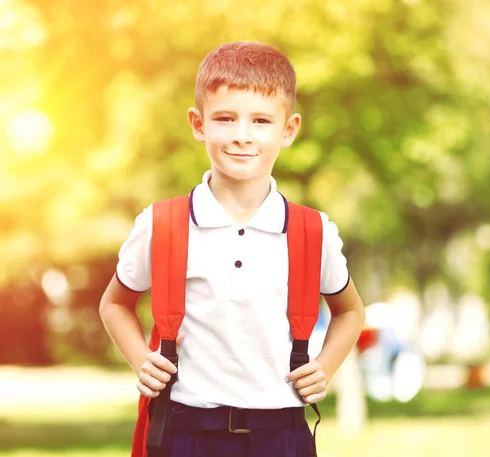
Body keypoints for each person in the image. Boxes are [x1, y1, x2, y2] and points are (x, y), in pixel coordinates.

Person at [99, 41, 365, 457]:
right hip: (186, 431)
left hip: (282, 433)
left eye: (261, 120)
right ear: (198, 124)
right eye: (225, 118)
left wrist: (324, 368)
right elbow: (115, 303)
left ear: (289, 129)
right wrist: (141, 361)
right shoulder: (162, 224)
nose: (242, 135)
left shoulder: (313, 231)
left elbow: (350, 311)